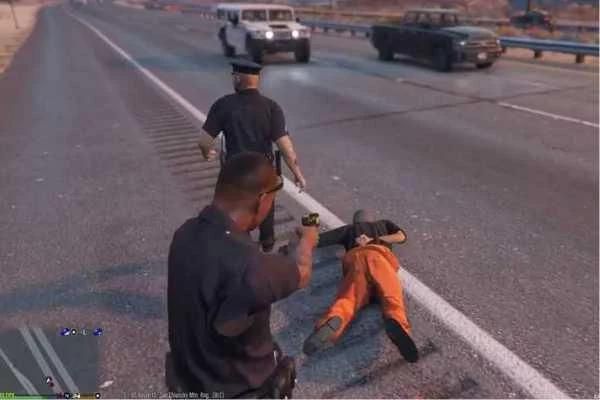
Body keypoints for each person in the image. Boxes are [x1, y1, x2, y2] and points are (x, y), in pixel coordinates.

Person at [166, 152, 319, 398]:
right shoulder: (249, 266)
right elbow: (302, 273)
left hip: (189, 380)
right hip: (238, 390)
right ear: (262, 199)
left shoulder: (185, 233)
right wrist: (308, 241)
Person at [197, 59, 306, 253]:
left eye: (233, 76)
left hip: (235, 172)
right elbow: (285, 147)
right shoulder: (271, 107)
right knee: (266, 202)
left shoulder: (223, 104)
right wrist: (297, 173)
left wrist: (207, 154)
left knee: (234, 210)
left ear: (238, 78)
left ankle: (240, 245)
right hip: (263, 170)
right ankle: (267, 241)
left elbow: (204, 141)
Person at [302, 209, 419, 363]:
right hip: (379, 257)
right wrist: (375, 239)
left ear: (355, 222)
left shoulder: (349, 230)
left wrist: (306, 232)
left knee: (348, 300)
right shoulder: (383, 224)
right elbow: (401, 236)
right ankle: (398, 323)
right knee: (392, 297)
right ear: (372, 219)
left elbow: (319, 240)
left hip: (356, 261)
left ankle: (334, 319)